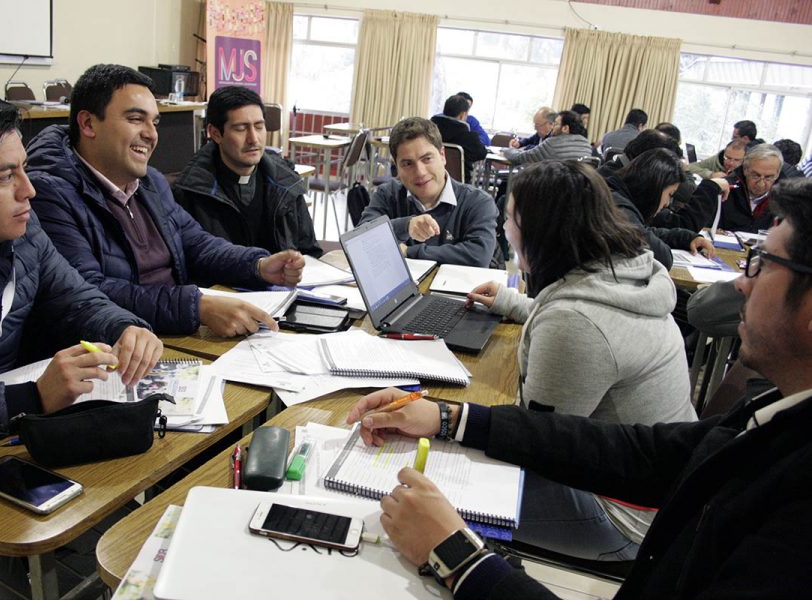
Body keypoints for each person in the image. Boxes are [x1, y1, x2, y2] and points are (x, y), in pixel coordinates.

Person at [348, 176, 812, 598]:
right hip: (655, 509)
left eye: (761, 264)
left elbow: (546, 427)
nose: (741, 283)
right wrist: (450, 416)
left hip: (623, 521)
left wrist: (459, 558)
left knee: (412, 493)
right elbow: (643, 451)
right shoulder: (772, 410)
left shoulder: (794, 519)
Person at [367, 160, 696, 561]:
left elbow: (537, 441)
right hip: (660, 490)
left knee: (413, 492)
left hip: (621, 515)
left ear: (541, 230)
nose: (506, 230)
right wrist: (512, 303)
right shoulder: (624, 273)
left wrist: (445, 416)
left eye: (511, 219)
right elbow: (572, 306)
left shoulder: (575, 323)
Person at [0, 88, 163, 450]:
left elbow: (77, 297)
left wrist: (124, 327)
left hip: (1, 440)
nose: (28, 190)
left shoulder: (25, 233)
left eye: (24, 169)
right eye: (5, 177)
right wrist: (29, 398)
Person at [26, 65, 304, 337]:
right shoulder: (49, 194)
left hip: (171, 334)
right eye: (136, 119)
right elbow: (89, 292)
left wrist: (257, 265)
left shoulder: (151, 182)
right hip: (116, 348)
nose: (151, 134)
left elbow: (196, 244)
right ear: (88, 123)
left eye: (154, 122)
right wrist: (196, 306)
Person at [172, 86, 321, 257]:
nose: (253, 139)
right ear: (215, 133)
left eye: (259, 126)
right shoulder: (189, 191)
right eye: (241, 129)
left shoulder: (286, 182)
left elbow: (310, 252)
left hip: (286, 283)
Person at [358, 117, 499, 268]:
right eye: (407, 163)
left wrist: (409, 252)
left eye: (427, 159)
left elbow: (478, 256)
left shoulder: (477, 202)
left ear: (442, 156)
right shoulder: (388, 194)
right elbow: (360, 241)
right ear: (397, 168)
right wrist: (406, 226)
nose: (420, 172)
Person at [604, 148, 715, 270]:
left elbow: (643, 233)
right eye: (669, 194)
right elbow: (663, 258)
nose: (667, 203)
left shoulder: (614, 193)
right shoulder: (619, 209)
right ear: (655, 187)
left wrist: (686, 238)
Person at [719, 143, 783, 233]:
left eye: (768, 177)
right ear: (745, 169)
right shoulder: (724, 188)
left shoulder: (786, 198)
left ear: (777, 174)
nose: (761, 184)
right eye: (756, 176)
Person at [431, 94, 488, 183]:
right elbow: (481, 153)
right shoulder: (469, 138)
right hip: (459, 185)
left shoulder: (430, 131)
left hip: (433, 179)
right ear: (463, 114)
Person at [501, 110, 592, 165]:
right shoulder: (586, 146)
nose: (552, 127)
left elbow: (520, 158)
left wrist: (507, 150)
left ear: (565, 128)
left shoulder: (553, 143)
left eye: (556, 124)